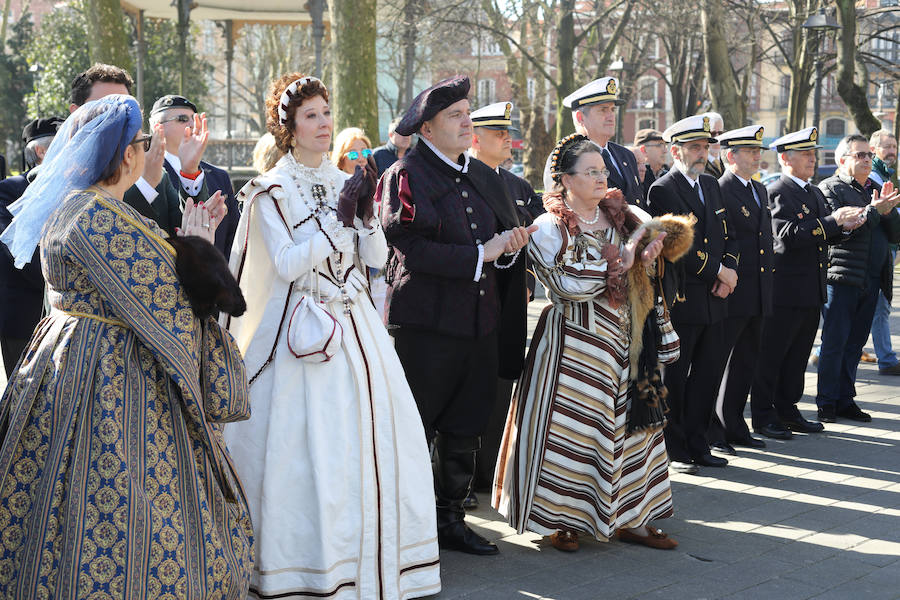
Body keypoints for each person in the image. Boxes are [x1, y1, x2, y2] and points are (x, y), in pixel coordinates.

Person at [0, 94, 253, 598]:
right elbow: (168, 302)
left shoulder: (80, 205)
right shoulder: (95, 214)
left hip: (71, 361)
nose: (145, 149)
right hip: (110, 377)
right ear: (125, 154)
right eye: (140, 141)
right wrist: (199, 242)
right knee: (117, 500)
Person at [224, 73, 440, 599]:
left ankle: (376, 562)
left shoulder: (349, 182)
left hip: (357, 325)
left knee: (377, 440)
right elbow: (287, 263)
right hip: (302, 328)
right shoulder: (268, 189)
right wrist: (336, 225)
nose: (324, 124)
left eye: (326, 113)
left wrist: (364, 217)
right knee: (307, 449)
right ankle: (310, 568)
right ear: (289, 128)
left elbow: (374, 260)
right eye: (312, 116)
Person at [494, 134, 683, 552]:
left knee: (638, 429)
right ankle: (562, 520)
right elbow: (567, 286)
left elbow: (661, 248)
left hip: (628, 338)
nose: (601, 178)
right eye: (591, 172)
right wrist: (623, 263)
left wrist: (650, 255)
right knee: (574, 430)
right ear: (565, 180)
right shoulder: (548, 226)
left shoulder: (626, 214)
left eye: (603, 171)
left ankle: (632, 517)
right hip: (574, 346)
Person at [380, 76, 533, 556]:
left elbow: (496, 243)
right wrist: (479, 255)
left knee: (467, 423)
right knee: (416, 425)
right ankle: (407, 525)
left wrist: (506, 251)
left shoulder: (482, 174)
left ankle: (452, 520)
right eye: (455, 115)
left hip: (479, 322)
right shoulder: (405, 175)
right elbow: (408, 247)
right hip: (426, 324)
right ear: (426, 129)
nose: (467, 121)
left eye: (468, 112)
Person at [752, 128, 865, 434]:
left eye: (813, 154)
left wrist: (846, 226)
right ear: (785, 158)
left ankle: (788, 410)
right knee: (773, 355)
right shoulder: (777, 191)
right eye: (805, 155)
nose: (812, 160)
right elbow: (785, 237)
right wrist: (832, 222)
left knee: (798, 356)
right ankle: (763, 415)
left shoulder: (813, 192)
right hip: (785, 291)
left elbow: (825, 232)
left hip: (810, 290)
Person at [646, 114, 738, 473]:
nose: (702, 153)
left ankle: (700, 443)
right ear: (676, 151)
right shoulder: (664, 189)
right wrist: (718, 270)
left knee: (708, 375)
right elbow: (676, 245)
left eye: (704, 147)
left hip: (716, 298)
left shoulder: (712, 185)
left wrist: (727, 272)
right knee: (678, 379)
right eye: (694, 148)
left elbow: (726, 234)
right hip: (684, 299)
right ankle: (675, 448)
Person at [468, 100, 542, 507]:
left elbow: (536, 235)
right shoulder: (468, 179)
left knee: (501, 386)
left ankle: (490, 470)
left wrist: (528, 278)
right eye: (499, 134)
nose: (508, 140)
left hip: (511, 301)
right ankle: (467, 475)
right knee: (476, 387)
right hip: (479, 299)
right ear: (475, 138)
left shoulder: (516, 186)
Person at [68, 64, 222, 238]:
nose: (117, 119)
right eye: (105, 109)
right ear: (76, 113)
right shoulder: (51, 181)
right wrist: (146, 184)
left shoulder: (159, 176)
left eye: (125, 109)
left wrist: (189, 171)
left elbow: (182, 233)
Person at [816, 134, 900, 422]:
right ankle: (826, 401)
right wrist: (876, 211)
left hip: (872, 279)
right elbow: (843, 232)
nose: (866, 159)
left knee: (855, 344)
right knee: (835, 342)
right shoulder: (830, 188)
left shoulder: (875, 188)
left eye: (868, 155)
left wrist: (890, 212)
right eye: (859, 155)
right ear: (842, 160)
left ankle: (845, 399)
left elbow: (895, 235)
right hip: (841, 278)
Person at [706, 126, 774, 452]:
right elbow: (723, 240)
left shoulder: (759, 189)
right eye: (751, 151)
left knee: (746, 362)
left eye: (759, 150)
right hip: (733, 289)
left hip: (758, 291)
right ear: (731, 155)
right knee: (719, 363)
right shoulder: (721, 189)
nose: (758, 155)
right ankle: (714, 431)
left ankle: (735, 424)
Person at [0, 117, 64, 376]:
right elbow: (16, 250)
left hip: (68, 323)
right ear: (41, 151)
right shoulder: (9, 191)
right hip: (24, 320)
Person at [150, 94, 241, 258]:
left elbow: (234, 236)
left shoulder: (219, 176)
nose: (192, 124)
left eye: (194, 118)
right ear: (158, 127)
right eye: (182, 119)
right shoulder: (148, 175)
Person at [550, 77, 643, 205]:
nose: (611, 116)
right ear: (580, 117)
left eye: (612, 110)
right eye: (603, 110)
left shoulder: (625, 155)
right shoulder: (564, 158)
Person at [867, 130, 900, 375]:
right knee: (881, 304)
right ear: (873, 149)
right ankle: (887, 360)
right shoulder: (874, 176)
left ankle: (820, 352)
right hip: (878, 250)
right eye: (887, 146)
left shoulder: (885, 174)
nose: (892, 151)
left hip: (885, 249)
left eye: (895, 146)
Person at [703, 112, 726, 178]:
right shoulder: (698, 164)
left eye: (720, 133)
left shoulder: (729, 161)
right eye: (712, 134)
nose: (717, 138)